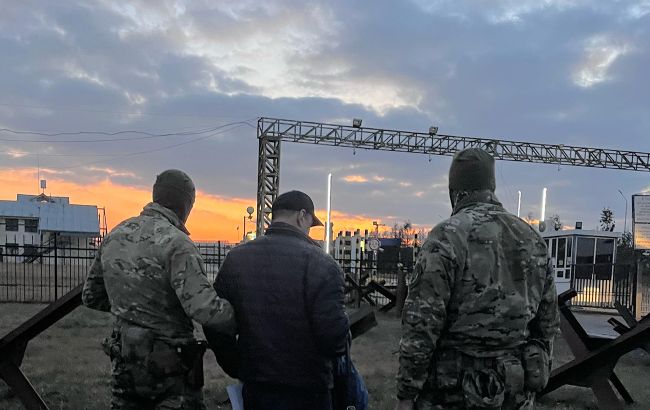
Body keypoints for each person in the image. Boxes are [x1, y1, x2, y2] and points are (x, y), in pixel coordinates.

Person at [396, 148, 560, 410]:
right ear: (491, 186)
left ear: (455, 191)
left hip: (451, 393)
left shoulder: (447, 237)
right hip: (513, 392)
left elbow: (422, 323)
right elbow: (548, 323)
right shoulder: (533, 240)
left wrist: (407, 393)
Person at [82, 169, 235, 410]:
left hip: (125, 364)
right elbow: (204, 309)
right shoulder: (177, 243)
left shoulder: (115, 235)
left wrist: (134, 310)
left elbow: (91, 296)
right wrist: (244, 317)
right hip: (170, 371)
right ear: (186, 205)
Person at [214, 190, 350, 410]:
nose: (309, 231)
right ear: (302, 216)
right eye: (310, 224)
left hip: (256, 385)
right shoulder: (322, 264)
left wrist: (235, 364)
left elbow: (215, 320)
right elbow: (333, 338)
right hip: (309, 389)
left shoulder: (236, 259)